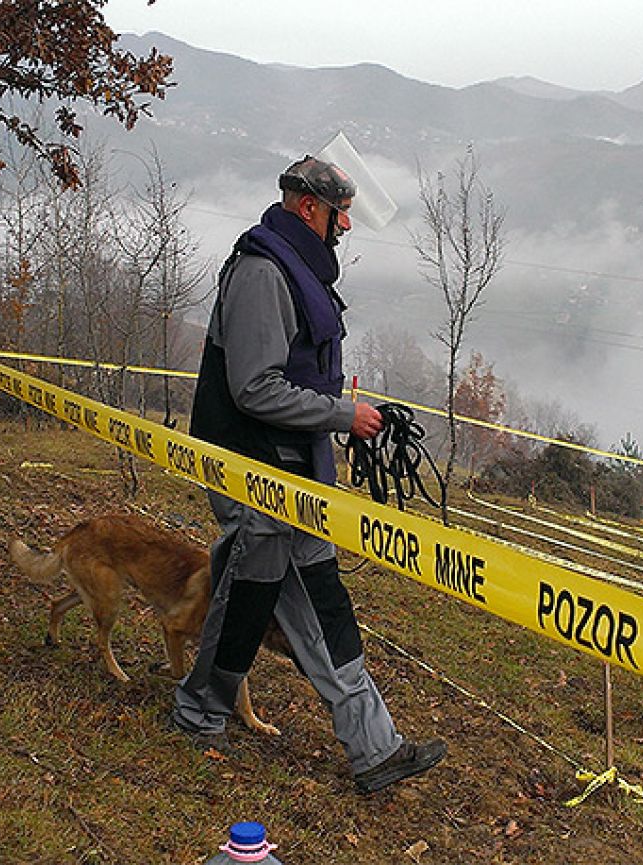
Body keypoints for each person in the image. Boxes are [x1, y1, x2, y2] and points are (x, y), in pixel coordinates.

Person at [171, 155, 446, 794]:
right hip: (253, 470)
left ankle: (373, 747)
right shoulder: (263, 273)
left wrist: (342, 413)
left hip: (297, 471)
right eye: (338, 211)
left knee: (315, 600)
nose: (346, 223)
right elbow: (254, 389)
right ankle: (199, 708)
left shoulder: (302, 271)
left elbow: (298, 374)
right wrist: (342, 415)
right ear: (307, 209)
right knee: (245, 596)